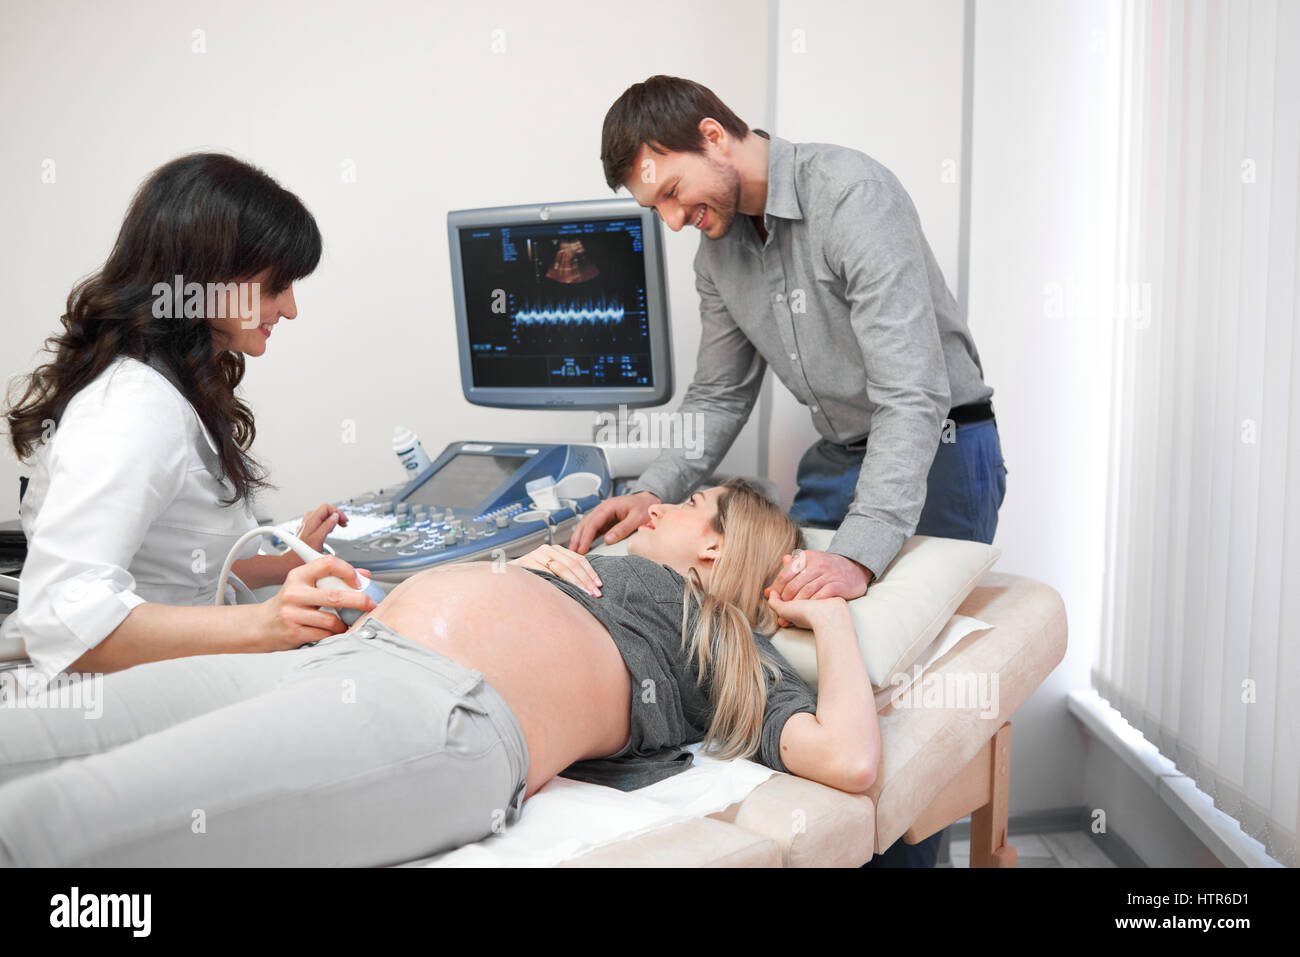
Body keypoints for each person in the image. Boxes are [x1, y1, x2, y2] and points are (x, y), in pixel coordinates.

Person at [568, 75, 1008, 867]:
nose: (673, 221)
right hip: (844, 452)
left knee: (903, 697)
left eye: (672, 192)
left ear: (712, 135)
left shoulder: (852, 196)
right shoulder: (717, 253)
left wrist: (862, 550)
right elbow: (715, 396)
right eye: (655, 209)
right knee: (801, 653)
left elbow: (914, 393)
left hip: (939, 444)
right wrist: (655, 491)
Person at [0, 479, 878, 866]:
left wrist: (830, 615)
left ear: (718, 543)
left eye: (686, 505)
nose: (655, 506)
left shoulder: (720, 639)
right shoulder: (576, 560)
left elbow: (847, 758)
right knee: (28, 732)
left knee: (54, 823)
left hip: (438, 714)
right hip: (341, 661)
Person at [1, 153, 377, 679]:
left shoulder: (174, 387)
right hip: (96, 699)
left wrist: (287, 566)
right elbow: (64, 621)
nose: (289, 309)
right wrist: (266, 625)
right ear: (208, 278)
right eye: (278, 285)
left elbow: (170, 572)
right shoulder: (132, 409)